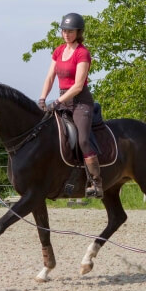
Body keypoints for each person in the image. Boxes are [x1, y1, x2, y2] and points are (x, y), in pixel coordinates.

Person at [38, 12, 103, 198]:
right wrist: (42, 99)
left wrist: (57, 101)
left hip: (80, 102)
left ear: (78, 32)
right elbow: (50, 77)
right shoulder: (58, 51)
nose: (66, 34)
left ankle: (96, 182)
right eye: (64, 30)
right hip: (61, 100)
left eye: (70, 31)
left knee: (82, 139)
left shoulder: (82, 53)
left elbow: (78, 85)